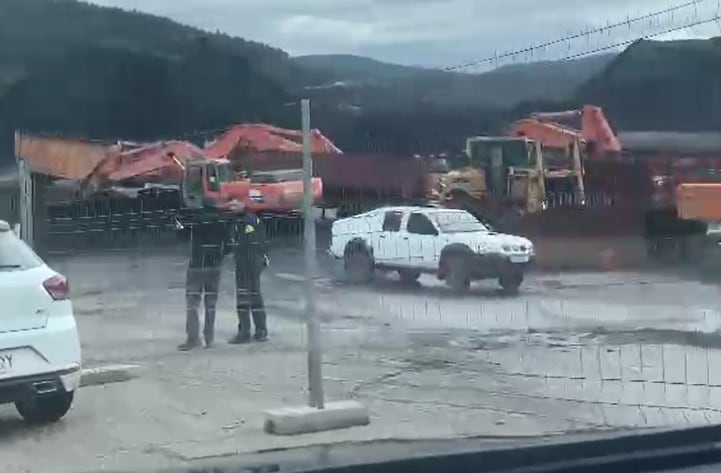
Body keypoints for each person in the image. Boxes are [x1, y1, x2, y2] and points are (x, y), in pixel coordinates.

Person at [178, 202, 233, 351]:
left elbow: (181, 235)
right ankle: (209, 339)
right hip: (214, 266)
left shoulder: (195, 220)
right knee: (211, 304)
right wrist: (219, 255)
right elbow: (229, 246)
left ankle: (193, 338)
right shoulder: (221, 221)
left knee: (192, 304)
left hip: (196, 265)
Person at [228, 201, 270, 344]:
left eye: (234, 205)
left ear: (242, 205)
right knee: (248, 296)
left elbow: (251, 242)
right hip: (244, 263)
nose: (231, 208)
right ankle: (254, 330)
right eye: (230, 205)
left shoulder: (248, 221)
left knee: (249, 296)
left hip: (250, 263)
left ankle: (251, 331)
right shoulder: (239, 220)